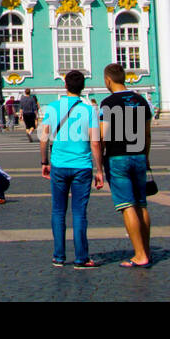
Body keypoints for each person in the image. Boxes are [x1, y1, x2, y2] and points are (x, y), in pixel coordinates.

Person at [40, 71, 104, 269]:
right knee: (79, 213)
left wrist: (44, 161)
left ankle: (58, 256)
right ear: (83, 87)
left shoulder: (53, 107)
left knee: (58, 211)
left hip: (59, 165)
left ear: (65, 85)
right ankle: (81, 258)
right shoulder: (89, 110)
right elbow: (95, 142)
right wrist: (99, 169)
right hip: (82, 166)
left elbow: (43, 138)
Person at [99, 63, 153, 268]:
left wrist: (98, 161)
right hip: (139, 156)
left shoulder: (108, 102)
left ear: (108, 80)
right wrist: (146, 156)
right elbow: (147, 133)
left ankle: (139, 255)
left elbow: (103, 134)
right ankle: (146, 250)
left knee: (127, 206)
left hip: (117, 158)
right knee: (141, 205)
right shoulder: (141, 100)